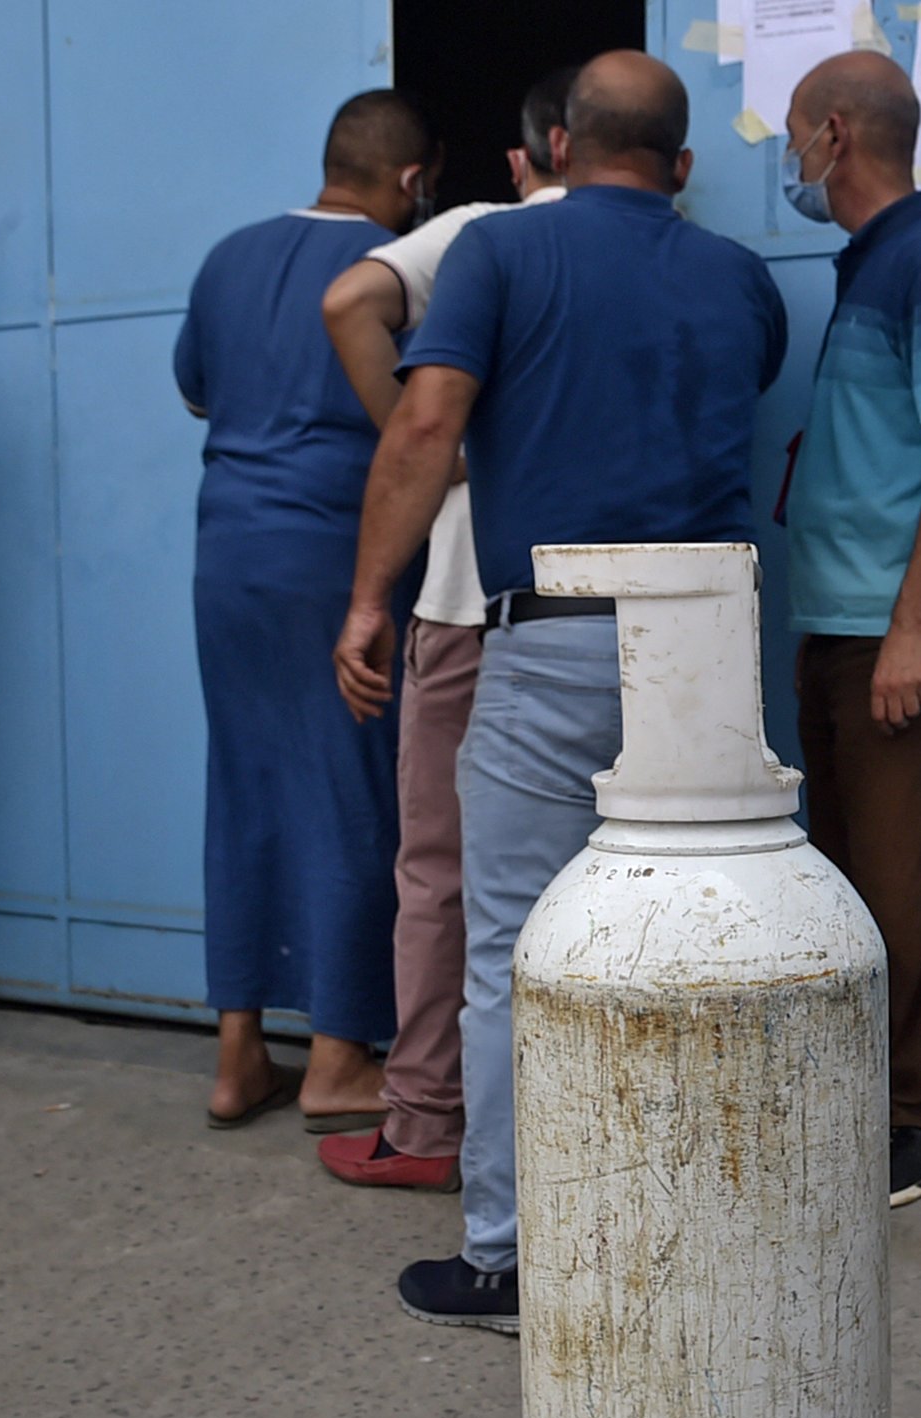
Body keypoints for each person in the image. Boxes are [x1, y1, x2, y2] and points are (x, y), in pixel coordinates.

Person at [334, 50, 788, 1332]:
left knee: (514, 950)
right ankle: (692, 1227)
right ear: (683, 164)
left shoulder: (499, 254)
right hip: (706, 647)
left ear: (563, 146)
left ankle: (512, 1256)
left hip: (554, 639)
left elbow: (426, 429)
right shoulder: (739, 278)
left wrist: (371, 600)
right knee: (696, 939)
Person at [313, 68, 576, 1194]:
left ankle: (428, 1117)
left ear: (529, 157)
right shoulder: (674, 252)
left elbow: (346, 302)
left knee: (441, 871)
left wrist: (439, 449)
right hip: (623, 610)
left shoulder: (481, 231)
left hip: (471, 606)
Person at [174, 90, 437, 1133]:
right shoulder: (400, 272)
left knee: (243, 789)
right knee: (357, 794)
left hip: (228, 558)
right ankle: (337, 1057)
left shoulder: (227, 257)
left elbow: (200, 393)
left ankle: (239, 1057)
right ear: (414, 183)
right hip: (339, 557)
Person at [779, 52, 921, 1207]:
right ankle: (886, 1101)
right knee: (859, 876)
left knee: (906, 877)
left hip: (892, 629)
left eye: (793, 141)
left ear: (833, 134)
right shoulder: (867, 267)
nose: (791, 167)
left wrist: (911, 627)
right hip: (842, 620)